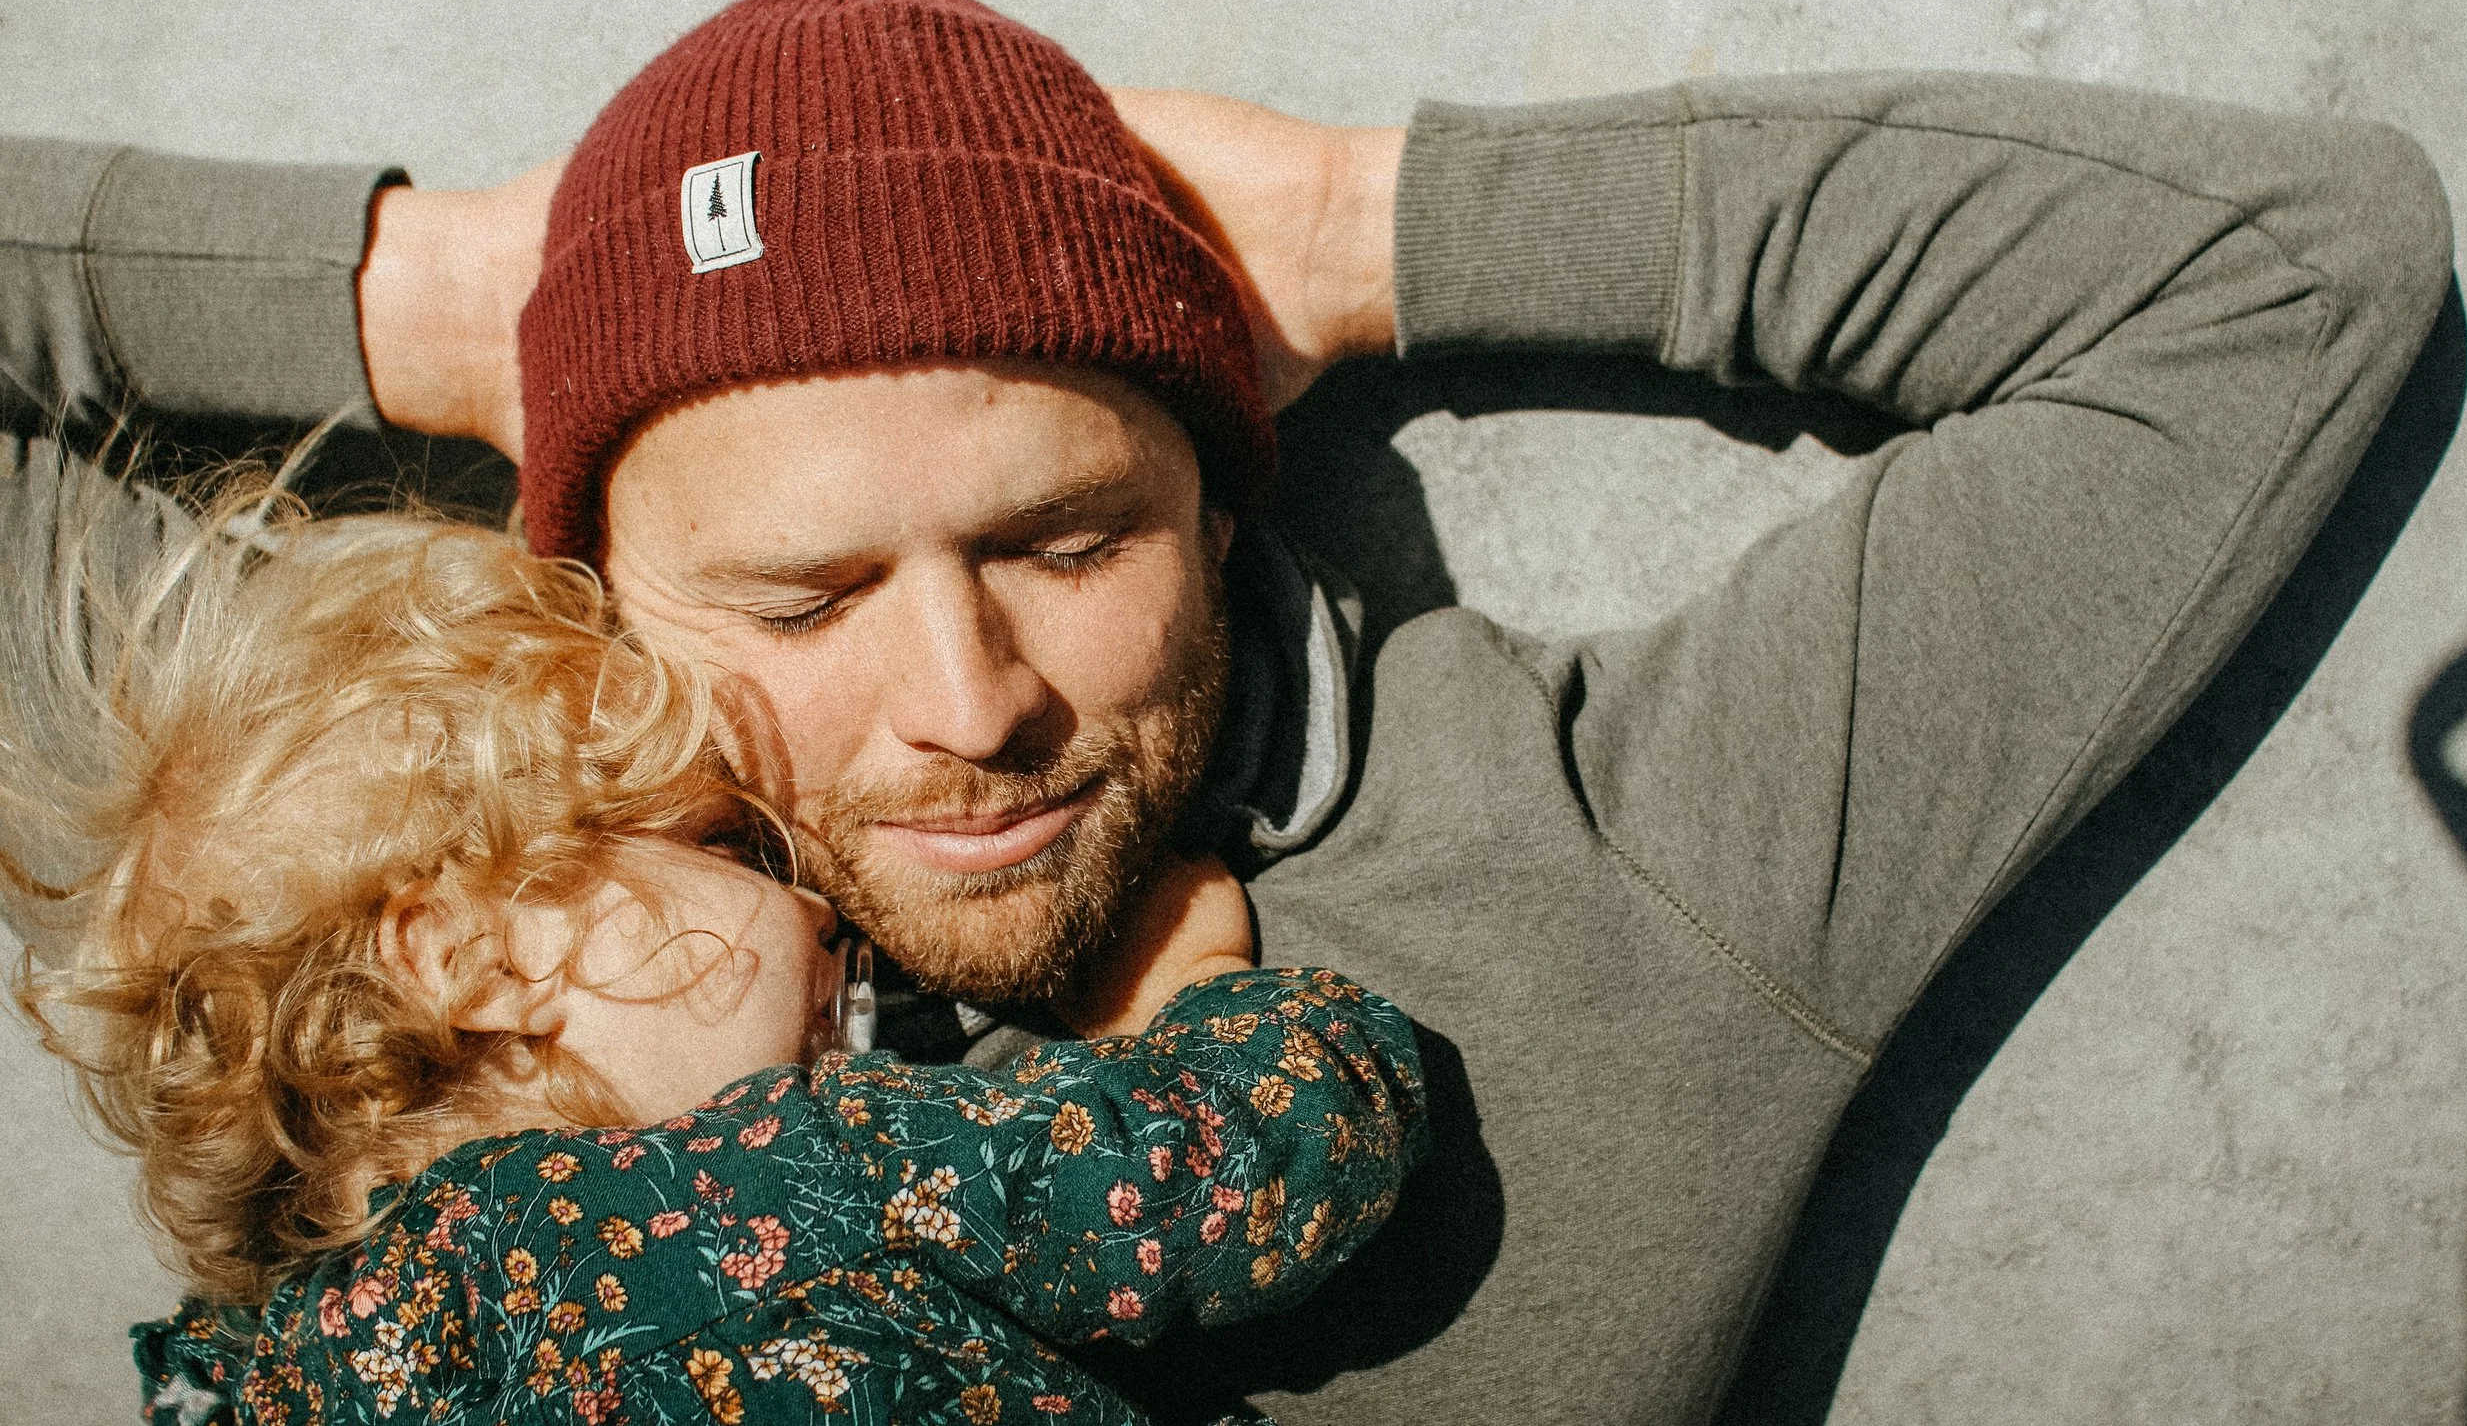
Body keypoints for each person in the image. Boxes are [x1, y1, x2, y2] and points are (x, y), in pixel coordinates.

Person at [0, 0, 2453, 1424]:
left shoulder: (1644, 857)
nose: (965, 701)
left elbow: (2279, 267)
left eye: (1066, 540)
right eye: (796, 590)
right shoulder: (394, 858)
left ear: (1215, 500)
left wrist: (1358, 227)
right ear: (590, 591)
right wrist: (433, 301)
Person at [2, 481, 1424, 1424]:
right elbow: (1222, 1176)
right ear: (474, 959)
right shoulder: (757, 1183)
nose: (822, 905)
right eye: (730, 847)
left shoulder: (271, 1376)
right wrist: (1201, 997)